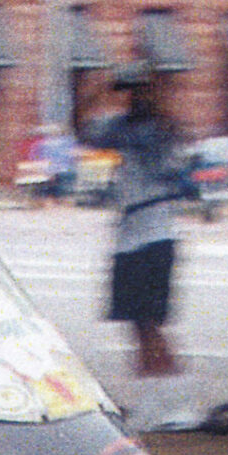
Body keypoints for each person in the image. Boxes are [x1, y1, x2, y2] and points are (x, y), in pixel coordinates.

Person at [82, 64, 194, 418]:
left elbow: (169, 138)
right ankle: (156, 400)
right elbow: (82, 129)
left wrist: (143, 90)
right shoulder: (121, 127)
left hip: (154, 234)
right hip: (131, 236)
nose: (135, 97)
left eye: (140, 90)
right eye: (132, 90)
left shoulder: (161, 130)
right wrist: (102, 89)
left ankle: (175, 404)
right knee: (136, 325)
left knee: (149, 324)